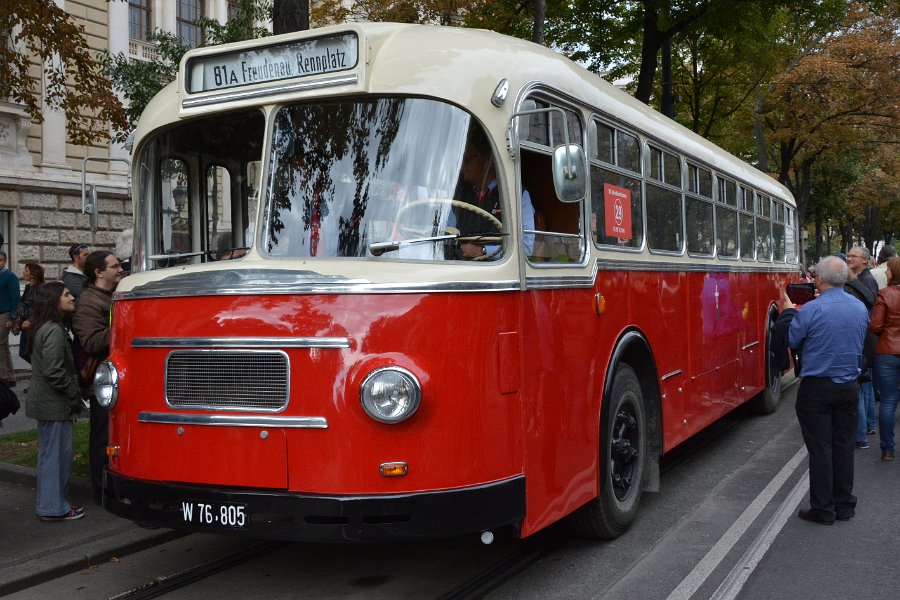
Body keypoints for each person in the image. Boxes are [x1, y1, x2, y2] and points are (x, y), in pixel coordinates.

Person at [773, 255, 869, 524]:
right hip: (849, 386)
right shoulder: (859, 308)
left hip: (817, 388)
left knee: (820, 449)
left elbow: (792, 339)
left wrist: (790, 311)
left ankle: (823, 508)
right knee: (843, 446)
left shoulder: (812, 310)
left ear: (820, 279)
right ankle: (844, 504)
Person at [24, 281, 84, 521]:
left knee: (50, 456)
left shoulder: (46, 327)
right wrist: (74, 394)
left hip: (48, 403)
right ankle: (54, 508)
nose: (72, 298)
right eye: (66, 294)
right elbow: (54, 371)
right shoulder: (54, 330)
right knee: (56, 458)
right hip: (54, 404)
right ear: (53, 301)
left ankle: (51, 505)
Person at [72, 250, 121, 505]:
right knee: (102, 437)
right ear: (98, 272)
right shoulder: (89, 302)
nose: (119, 269)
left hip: (115, 380)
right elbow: (91, 343)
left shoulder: (110, 296)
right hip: (102, 384)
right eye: (114, 266)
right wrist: (124, 325)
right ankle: (102, 491)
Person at [452, 130, 535, 260]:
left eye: (467, 160)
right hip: (459, 266)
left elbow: (525, 248)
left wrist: (483, 250)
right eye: (461, 160)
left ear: (488, 161)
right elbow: (446, 232)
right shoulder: (459, 195)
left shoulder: (518, 195)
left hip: (498, 270)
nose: (462, 166)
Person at [868, 256, 900, 462]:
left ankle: (887, 449)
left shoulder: (885, 294)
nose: (886, 273)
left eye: (888, 270)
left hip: (888, 351)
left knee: (888, 402)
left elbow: (875, 326)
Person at [843, 268, 878, 448]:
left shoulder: (853, 289)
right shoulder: (865, 283)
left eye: (853, 256)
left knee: (861, 393)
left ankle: (860, 436)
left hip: (862, 344)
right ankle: (870, 425)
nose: (849, 259)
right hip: (870, 342)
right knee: (867, 388)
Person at [13, 263, 45, 363]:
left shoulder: (41, 288)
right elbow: (24, 304)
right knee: (24, 352)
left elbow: (41, 307)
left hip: (33, 325)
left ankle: (42, 370)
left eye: (26, 270)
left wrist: (29, 320)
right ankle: (39, 370)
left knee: (29, 352)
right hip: (25, 325)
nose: (23, 272)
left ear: (33, 274)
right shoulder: (28, 287)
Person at [0, 251, 20, 388]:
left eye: (0, 260)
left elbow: (15, 298)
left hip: (5, 314)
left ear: (5, 261)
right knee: (4, 345)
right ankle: (10, 376)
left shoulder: (10, 276)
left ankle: (3, 376)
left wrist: (12, 317)